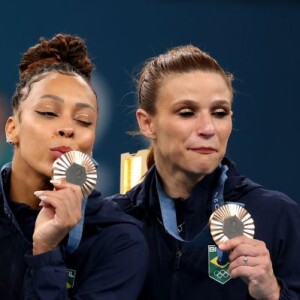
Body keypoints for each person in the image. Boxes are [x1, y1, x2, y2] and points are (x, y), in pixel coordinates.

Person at [109, 45, 300, 299]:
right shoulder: (113, 222)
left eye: (219, 113)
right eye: (187, 112)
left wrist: (273, 293)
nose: (208, 128)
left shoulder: (277, 215)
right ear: (147, 123)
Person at [0, 33, 148, 299]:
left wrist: (46, 252)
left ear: (91, 142)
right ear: (12, 129)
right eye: (48, 112)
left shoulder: (119, 239)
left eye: (84, 120)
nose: (67, 128)